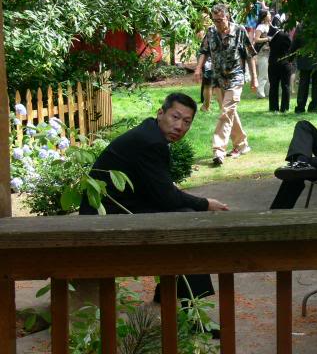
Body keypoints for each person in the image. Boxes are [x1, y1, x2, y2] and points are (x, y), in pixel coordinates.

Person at [79, 93, 229, 305]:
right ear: (161, 113)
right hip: (105, 219)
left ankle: (170, 294)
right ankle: (193, 307)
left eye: (187, 122)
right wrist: (205, 204)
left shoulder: (150, 133)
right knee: (188, 220)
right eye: (175, 117)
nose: (180, 126)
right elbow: (167, 198)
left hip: (115, 211)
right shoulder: (151, 142)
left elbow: (160, 190)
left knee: (183, 217)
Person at [194, 4, 258, 166]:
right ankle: (242, 145)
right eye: (215, 20)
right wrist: (198, 69)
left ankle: (218, 149)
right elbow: (204, 51)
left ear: (227, 17)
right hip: (218, 79)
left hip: (235, 77)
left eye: (220, 20)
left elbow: (250, 55)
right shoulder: (211, 32)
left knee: (226, 112)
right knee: (229, 112)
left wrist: (255, 78)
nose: (217, 23)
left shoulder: (239, 30)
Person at [291, 24, 317, 113]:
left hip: (305, 59)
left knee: (303, 84)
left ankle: (300, 107)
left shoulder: (301, 26)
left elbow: (295, 43)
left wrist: (290, 57)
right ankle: (313, 107)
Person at [267, 21, 294, 112]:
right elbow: (291, 47)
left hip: (273, 62)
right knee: (285, 86)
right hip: (284, 62)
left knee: (273, 86)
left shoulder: (271, 36)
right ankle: (284, 107)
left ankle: (273, 107)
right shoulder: (285, 35)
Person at [254, 9, 271, 99]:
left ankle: (268, 92)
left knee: (269, 73)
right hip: (262, 53)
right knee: (263, 73)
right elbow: (256, 39)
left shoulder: (269, 26)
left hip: (269, 52)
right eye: (268, 14)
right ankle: (260, 92)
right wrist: (268, 39)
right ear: (264, 16)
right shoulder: (260, 27)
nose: (270, 15)